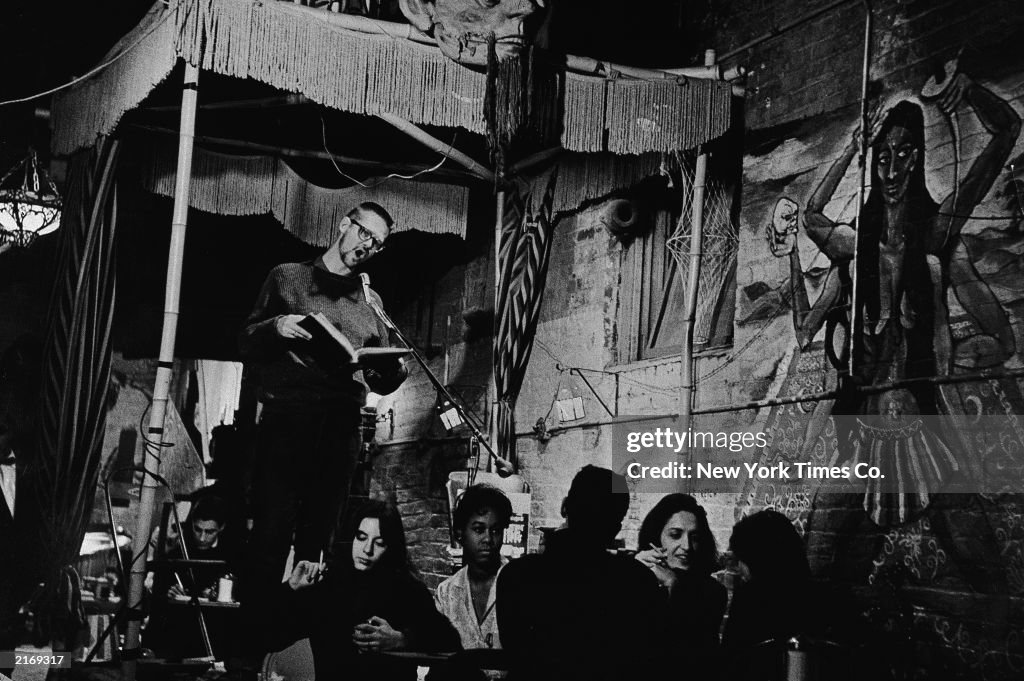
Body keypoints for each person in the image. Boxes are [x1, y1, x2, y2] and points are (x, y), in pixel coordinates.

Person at [238, 201, 408, 606]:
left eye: (378, 244)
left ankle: (305, 643)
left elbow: (379, 375)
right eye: (365, 233)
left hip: (340, 427)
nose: (368, 246)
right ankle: (255, 644)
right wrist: (277, 327)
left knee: (322, 538)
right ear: (345, 225)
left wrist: (392, 370)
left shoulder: (372, 302)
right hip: (287, 420)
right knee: (270, 532)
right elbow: (246, 341)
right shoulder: (287, 277)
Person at [496, 465, 667, 681]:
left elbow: (517, 654)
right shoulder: (638, 583)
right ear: (616, 526)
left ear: (564, 507)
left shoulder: (516, 577)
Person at [268, 499, 461, 681]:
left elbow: (450, 641)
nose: (367, 549)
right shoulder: (328, 586)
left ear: (391, 546)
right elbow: (271, 637)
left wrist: (402, 640)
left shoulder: (407, 589)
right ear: (351, 538)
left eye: (379, 543)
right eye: (361, 538)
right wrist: (291, 589)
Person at [634, 494, 727, 674]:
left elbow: (688, 655)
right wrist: (634, 569)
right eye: (675, 535)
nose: (686, 546)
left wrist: (673, 585)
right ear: (656, 537)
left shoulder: (712, 591)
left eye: (695, 537)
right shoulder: (639, 579)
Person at [722, 510, 813, 681]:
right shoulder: (820, 597)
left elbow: (730, 664)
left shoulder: (748, 598)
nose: (740, 568)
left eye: (742, 559)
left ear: (754, 560)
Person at [434, 485, 513, 679]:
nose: (488, 539)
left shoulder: (518, 584)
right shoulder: (446, 593)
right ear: (460, 534)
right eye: (479, 529)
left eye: (495, 530)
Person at [145, 495, 238, 660]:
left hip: (213, 636)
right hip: (178, 636)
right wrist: (170, 592)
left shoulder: (231, 557)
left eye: (209, 532)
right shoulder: (177, 554)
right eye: (197, 529)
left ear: (221, 528)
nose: (202, 538)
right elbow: (157, 599)